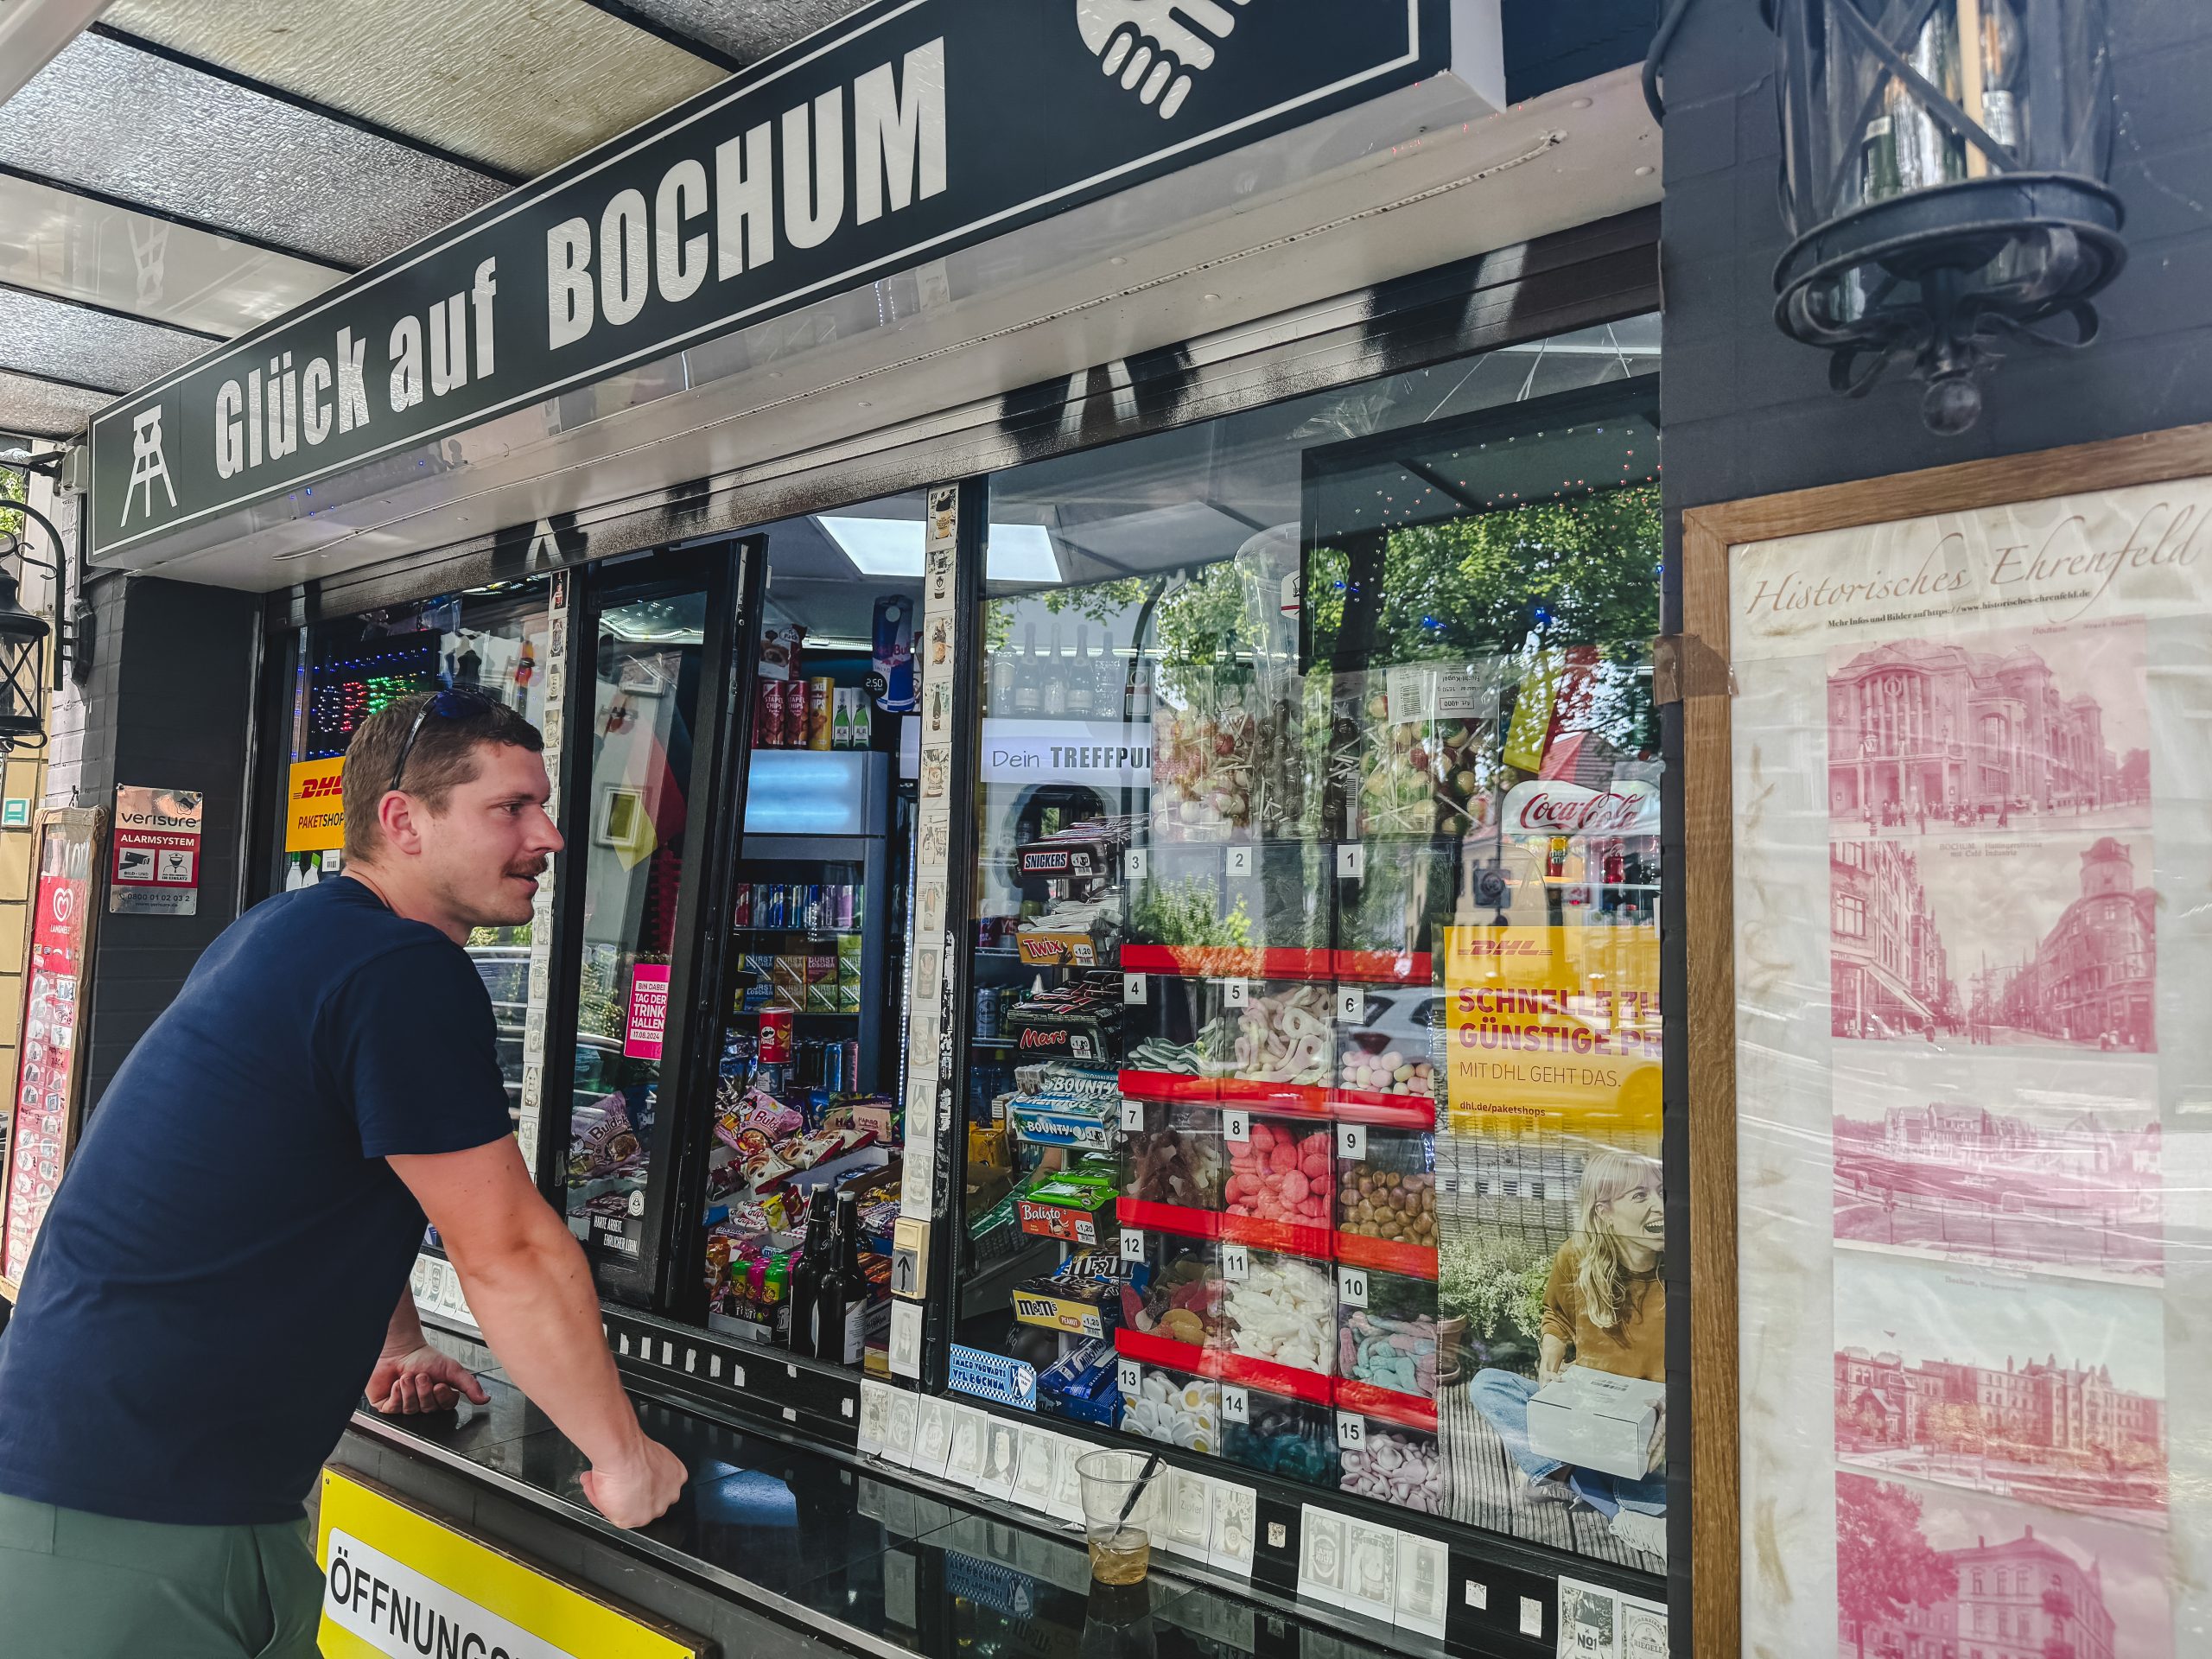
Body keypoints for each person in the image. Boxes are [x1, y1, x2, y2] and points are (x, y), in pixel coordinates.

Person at [0, 690, 686, 1657]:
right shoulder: (399, 970)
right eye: (511, 808)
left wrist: (397, 1342)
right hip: (132, 1514)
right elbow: (512, 1251)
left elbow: (329, 1176)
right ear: (403, 820)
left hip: (159, 1493)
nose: (552, 835)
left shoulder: (297, 931)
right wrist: (624, 1461)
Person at [1471, 1150, 1667, 1557]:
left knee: (1651, 1476)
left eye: (1662, 1192)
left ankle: (1583, 1488)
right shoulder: (1575, 1258)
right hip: (1586, 1411)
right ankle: (1611, 1499)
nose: (1660, 1206)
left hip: (1651, 1425)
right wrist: (1550, 1359)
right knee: (1488, 1384)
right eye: (1640, 1196)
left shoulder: (1683, 1269)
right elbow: (1555, 1316)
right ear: (1605, 1213)